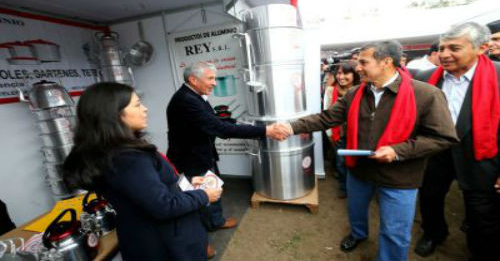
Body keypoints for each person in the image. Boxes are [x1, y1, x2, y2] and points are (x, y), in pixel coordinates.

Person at [273, 40, 458, 261]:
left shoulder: (426, 94)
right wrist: (291, 126)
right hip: (359, 170)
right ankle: (358, 235)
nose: (357, 67)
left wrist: (398, 151)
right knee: (356, 211)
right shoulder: (355, 94)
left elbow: (444, 137)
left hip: (400, 177)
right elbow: (327, 118)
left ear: (386, 62)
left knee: (394, 232)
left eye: (363, 62)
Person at [62, 82, 222, 261]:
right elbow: (164, 206)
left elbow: (147, 191)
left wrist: (187, 185)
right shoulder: (129, 158)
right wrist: (204, 195)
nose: (145, 109)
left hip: (145, 238)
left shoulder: (108, 151)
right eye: (137, 104)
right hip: (166, 245)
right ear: (114, 114)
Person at [413, 22, 500, 260]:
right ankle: (433, 233)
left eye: (454, 48)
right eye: (441, 48)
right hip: (435, 152)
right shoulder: (426, 77)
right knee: (430, 197)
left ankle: (481, 250)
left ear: (481, 48)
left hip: (482, 155)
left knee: (481, 211)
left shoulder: (498, 76)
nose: (444, 54)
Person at [166, 61, 284, 232]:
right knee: (199, 197)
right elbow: (219, 128)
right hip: (191, 159)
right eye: (210, 78)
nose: (215, 82)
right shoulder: (186, 101)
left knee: (212, 187)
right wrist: (266, 130)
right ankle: (200, 236)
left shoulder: (194, 95)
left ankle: (215, 221)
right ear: (193, 79)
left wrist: (239, 122)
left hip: (202, 153)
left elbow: (213, 120)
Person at [324, 60, 360, 198]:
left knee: (357, 163)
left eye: (346, 73)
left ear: (355, 74)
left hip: (357, 133)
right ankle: (344, 187)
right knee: (340, 162)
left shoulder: (361, 90)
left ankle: (356, 188)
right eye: (339, 73)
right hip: (338, 133)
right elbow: (326, 113)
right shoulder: (330, 90)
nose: (341, 77)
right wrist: (329, 134)